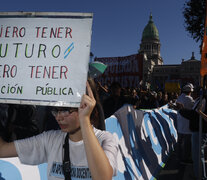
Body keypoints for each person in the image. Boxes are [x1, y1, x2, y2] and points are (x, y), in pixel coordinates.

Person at [0, 78, 118, 180]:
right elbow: (2, 150)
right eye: (55, 110)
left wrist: (85, 119)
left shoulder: (105, 139)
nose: (58, 117)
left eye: (66, 109)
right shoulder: (50, 139)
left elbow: (103, 177)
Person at [176, 83, 195, 164]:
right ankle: (185, 159)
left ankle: (180, 158)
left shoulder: (179, 98)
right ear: (189, 92)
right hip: (187, 124)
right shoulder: (189, 99)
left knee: (180, 143)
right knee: (187, 144)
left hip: (180, 124)